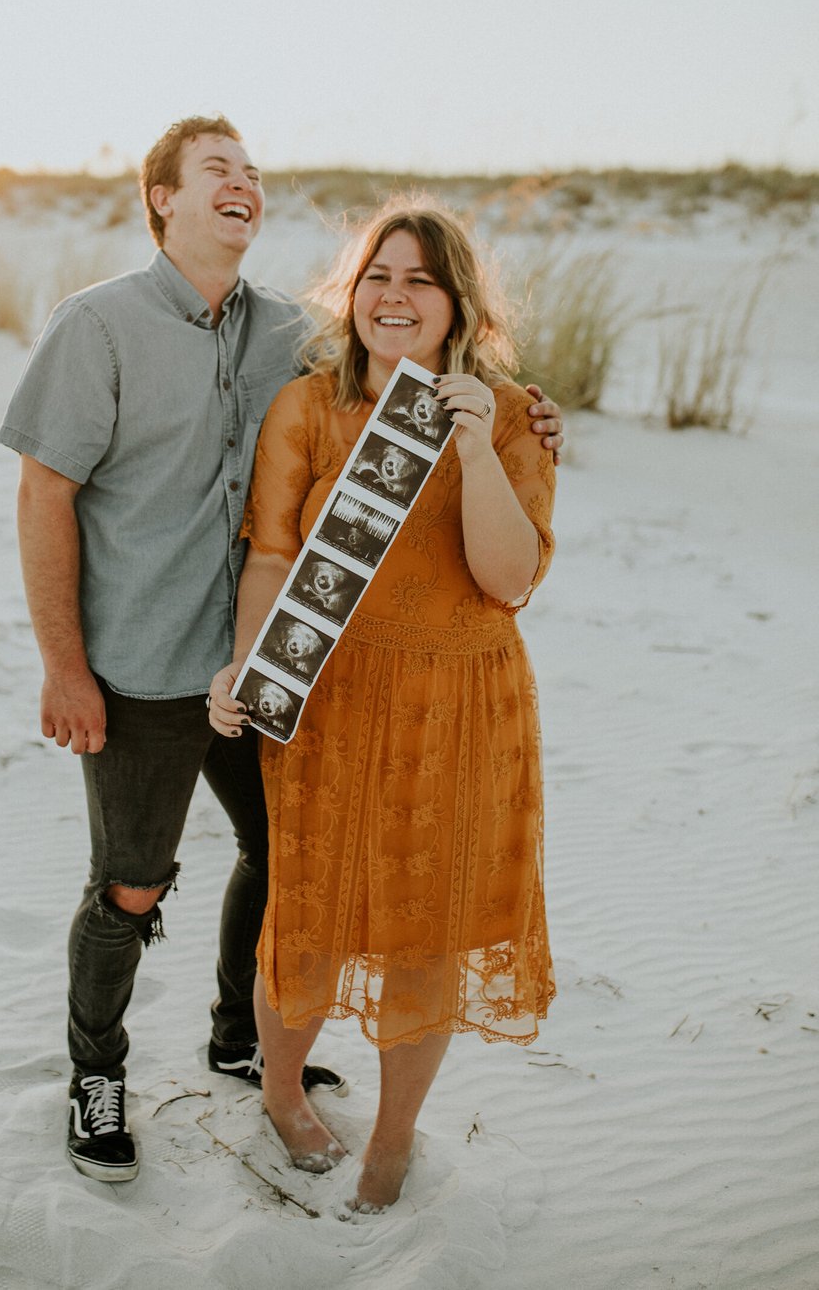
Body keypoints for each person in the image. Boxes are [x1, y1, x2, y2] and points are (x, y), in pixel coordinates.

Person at [0, 116, 564, 1183]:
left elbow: (405, 375)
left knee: (281, 863)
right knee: (131, 882)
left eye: (253, 173)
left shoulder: (283, 333)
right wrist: (62, 664)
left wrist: (521, 421)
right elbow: (45, 494)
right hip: (148, 659)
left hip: (286, 677)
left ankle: (239, 1039)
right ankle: (97, 1074)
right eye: (218, 169)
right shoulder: (99, 325)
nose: (244, 184)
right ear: (159, 196)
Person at [208, 200, 556, 1217]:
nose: (394, 299)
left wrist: (478, 445)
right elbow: (270, 552)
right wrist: (251, 673)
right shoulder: (306, 408)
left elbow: (507, 578)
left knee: (425, 937)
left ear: (458, 306)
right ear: (349, 293)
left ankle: (393, 1142)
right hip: (335, 698)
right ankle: (279, 1091)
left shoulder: (505, 414)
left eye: (420, 281)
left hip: (460, 705)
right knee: (306, 915)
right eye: (377, 277)